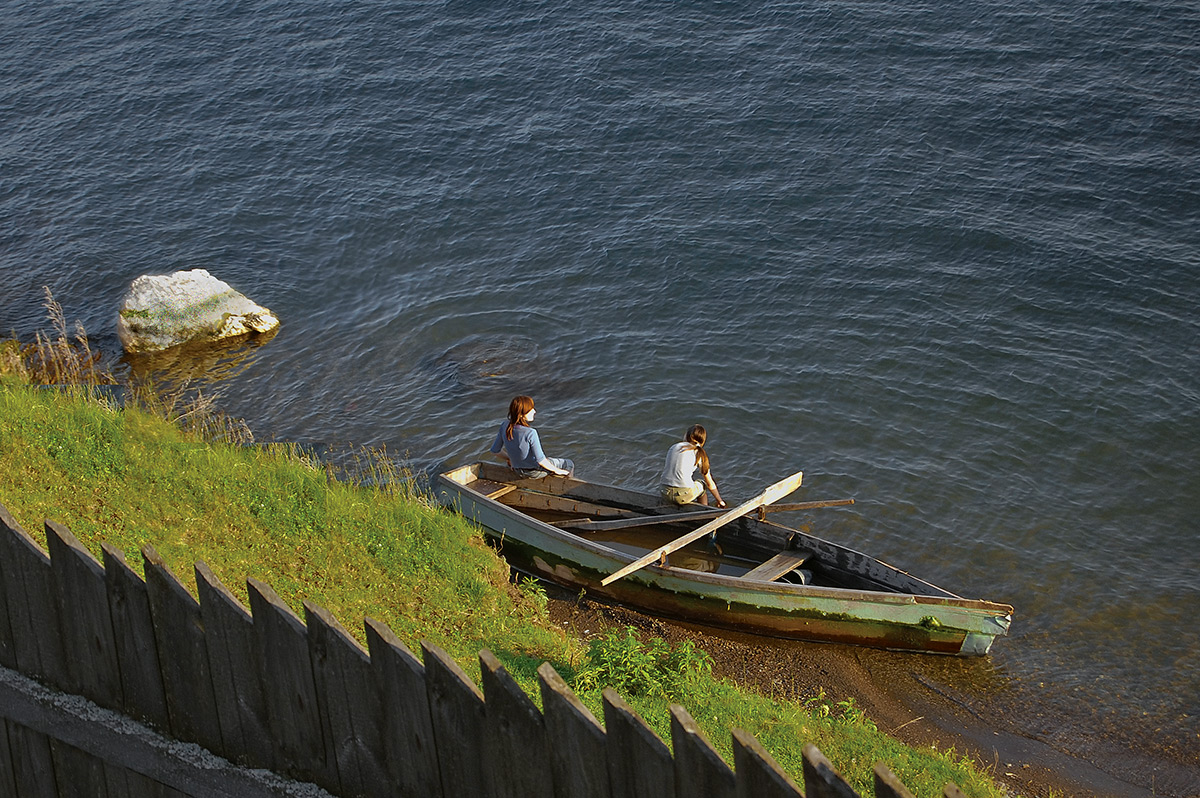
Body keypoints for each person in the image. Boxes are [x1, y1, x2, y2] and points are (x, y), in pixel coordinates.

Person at [490, 395, 574, 478]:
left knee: (549, 460)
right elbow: (541, 461)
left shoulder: (504, 425)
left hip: (517, 470)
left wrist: (511, 459)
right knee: (569, 463)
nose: (534, 411)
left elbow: (495, 451)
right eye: (530, 410)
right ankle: (567, 489)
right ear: (522, 415)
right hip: (533, 472)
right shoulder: (531, 433)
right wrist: (557, 471)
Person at [660, 424, 725, 508]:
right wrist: (720, 501)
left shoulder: (674, 447)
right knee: (702, 485)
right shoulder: (699, 453)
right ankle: (702, 513)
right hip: (682, 496)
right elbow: (710, 483)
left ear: (687, 435)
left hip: (664, 491)